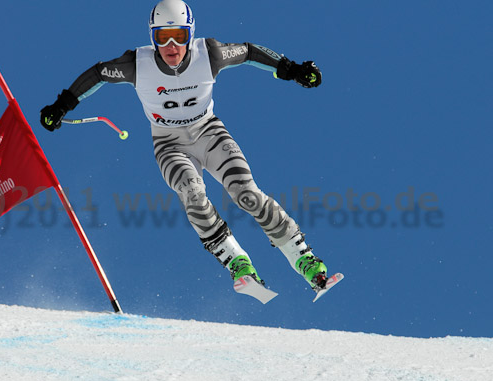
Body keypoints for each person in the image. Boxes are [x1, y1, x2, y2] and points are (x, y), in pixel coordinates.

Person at [40, 0, 329, 294]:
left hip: (209, 132)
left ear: (190, 34)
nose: (171, 45)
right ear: (152, 37)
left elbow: (249, 52)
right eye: (161, 37)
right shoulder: (137, 64)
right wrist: (62, 105)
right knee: (192, 193)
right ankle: (236, 262)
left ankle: (302, 257)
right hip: (169, 144)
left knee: (246, 194)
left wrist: (290, 69)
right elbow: (99, 73)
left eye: (178, 35)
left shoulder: (210, 54)